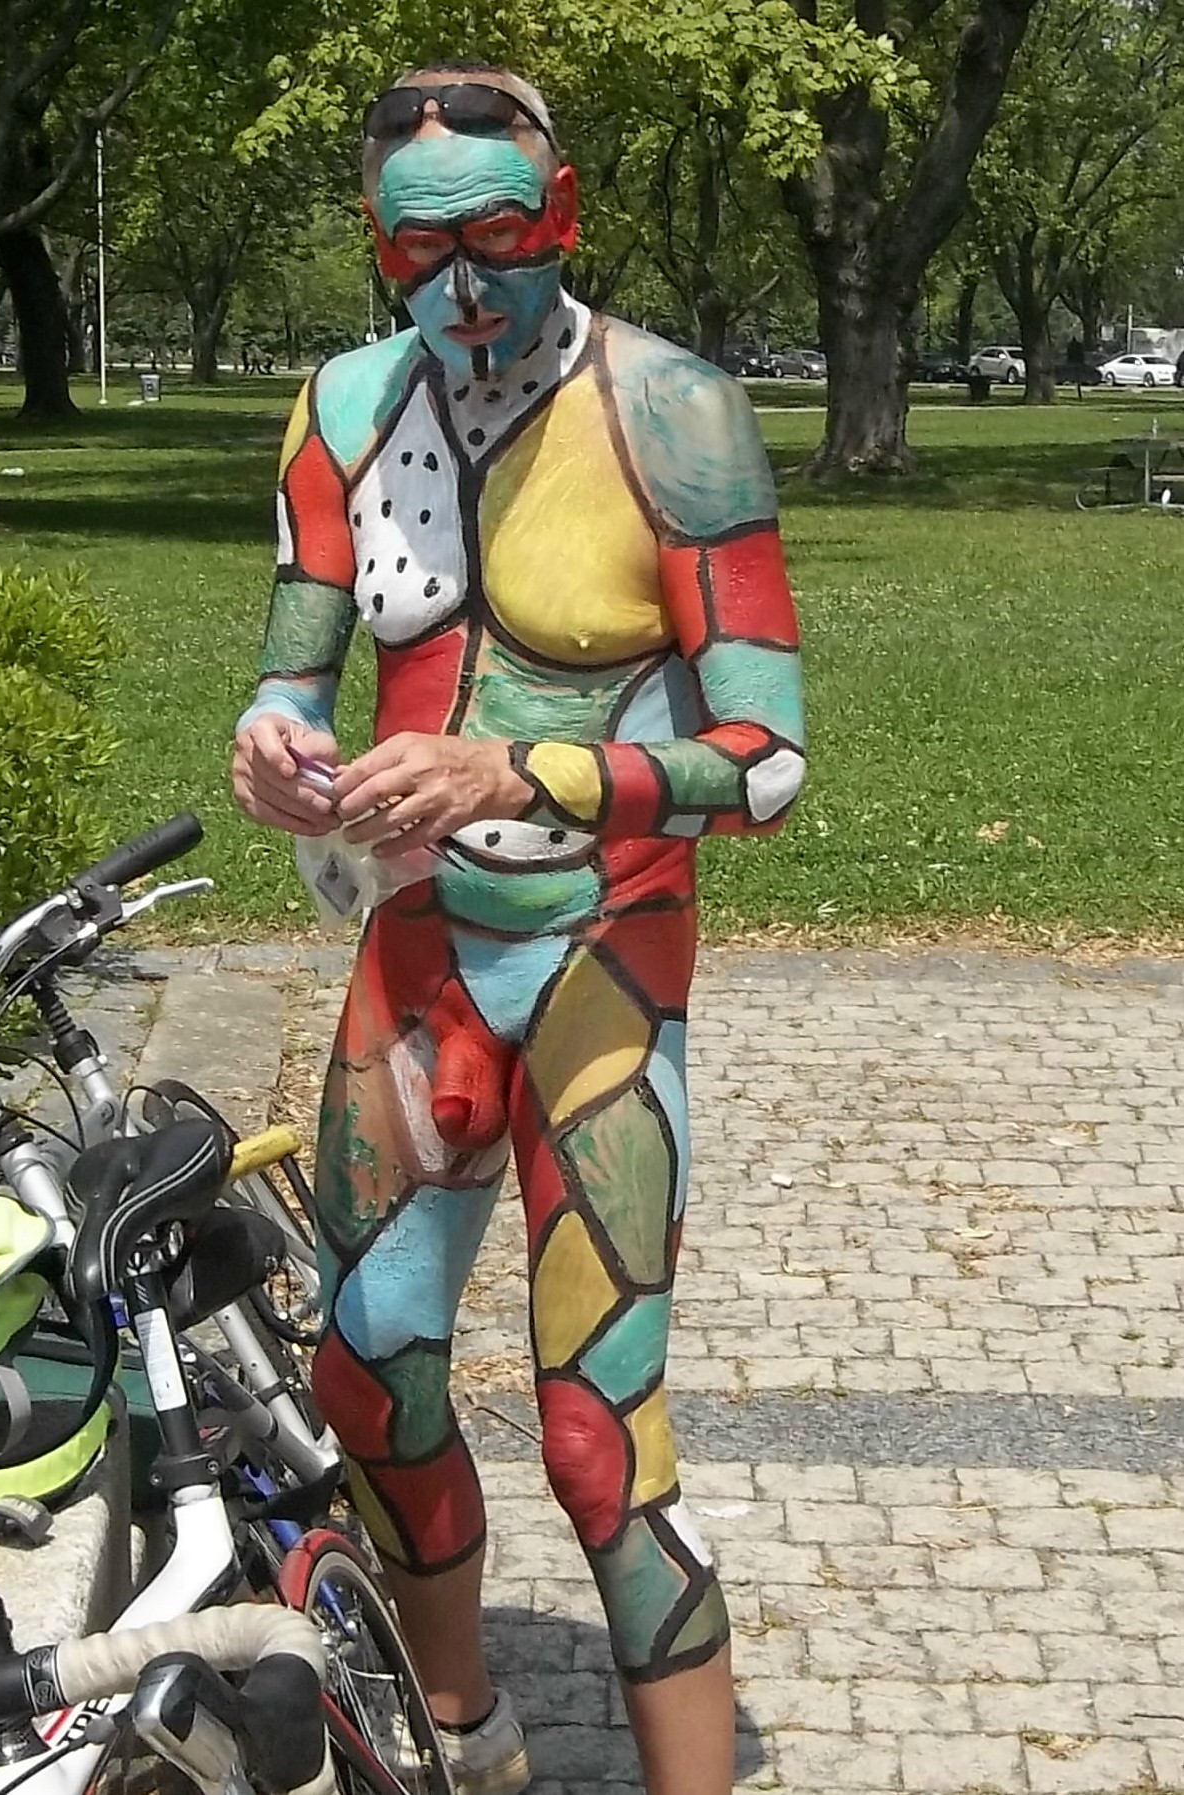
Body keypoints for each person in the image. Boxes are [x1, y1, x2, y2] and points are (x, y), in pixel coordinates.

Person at [231, 60, 804, 1795]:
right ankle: (466, 1735)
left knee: (595, 1437)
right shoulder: (341, 407)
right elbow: (297, 666)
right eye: (424, 249)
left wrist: (523, 768)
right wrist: (275, 742)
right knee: (368, 1375)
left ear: (561, 215)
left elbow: (766, 762)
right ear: (376, 246)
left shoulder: (673, 409)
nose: (468, 283)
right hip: (417, 953)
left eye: (500, 234)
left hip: (602, 960)